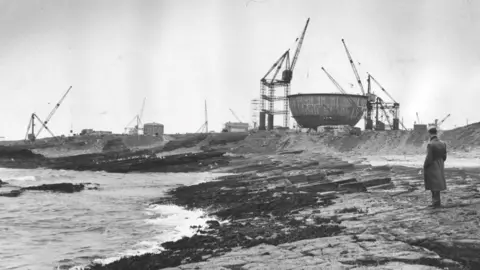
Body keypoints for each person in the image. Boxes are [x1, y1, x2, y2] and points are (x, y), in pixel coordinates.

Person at [423, 127, 447, 207]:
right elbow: (444, 156)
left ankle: (435, 203)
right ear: (436, 133)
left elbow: (429, 158)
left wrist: (425, 165)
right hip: (440, 164)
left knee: (433, 184)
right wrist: (440, 162)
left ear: (429, 133)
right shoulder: (443, 143)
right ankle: (437, 202)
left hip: (432, 165)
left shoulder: (430, 144)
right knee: (438, 183)